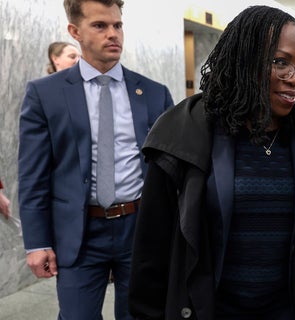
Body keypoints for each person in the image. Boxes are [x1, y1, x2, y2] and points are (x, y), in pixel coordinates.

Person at [128, 5, 295, 319]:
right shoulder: (184, 132)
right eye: (280, 62)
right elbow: (152, 250)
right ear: (244, 60)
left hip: (290, 309)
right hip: (212, 308)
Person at [18, 0, 174, 318]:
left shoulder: (154, 93)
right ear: (75, 31)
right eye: (100, 26)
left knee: (142, 314)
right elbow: (33, 175)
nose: (113, 34)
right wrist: (36, 243)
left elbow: (170, 171)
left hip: (140, 228)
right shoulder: (45, 94)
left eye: (117, 25)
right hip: (79, 232)